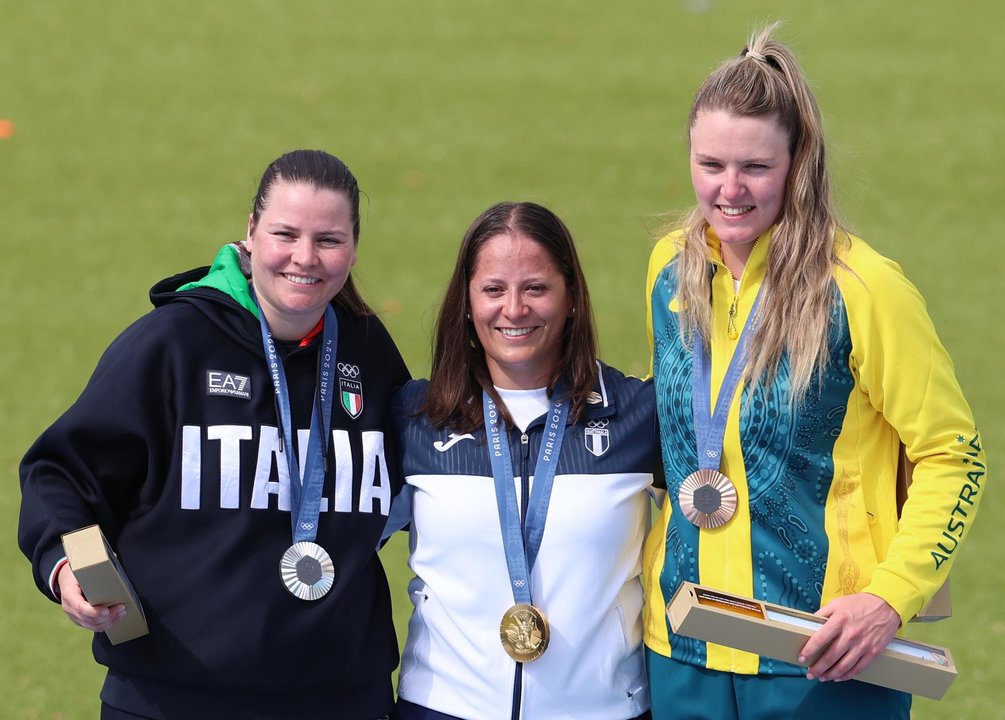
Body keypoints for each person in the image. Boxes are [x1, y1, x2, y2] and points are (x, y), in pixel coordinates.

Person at [642, 24, 987, 720]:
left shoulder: (862, 289)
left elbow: (953, 455)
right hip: (682, 646)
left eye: (755, 168)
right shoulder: (667, 273)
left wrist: (888, 598)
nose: (729, 190)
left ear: (797, 162)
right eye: (710, 165)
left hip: (826, 654)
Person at [18, 149, 410, 719]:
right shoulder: (173, 343)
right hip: (170, 701)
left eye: (329, 239)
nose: (305, 257)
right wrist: (69, 563)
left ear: (353, 246)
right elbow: (63, 472)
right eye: (285, 233)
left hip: (342, 700)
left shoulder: (368, 353)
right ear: (250, 233)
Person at [385, 202, 662, 720]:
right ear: (466, 301)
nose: (514, 309)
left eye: (535, 288)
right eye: (493, 289)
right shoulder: (416, 418)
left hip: (602, 711)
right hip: (441, 710)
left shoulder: (637, 415)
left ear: (572, 296)